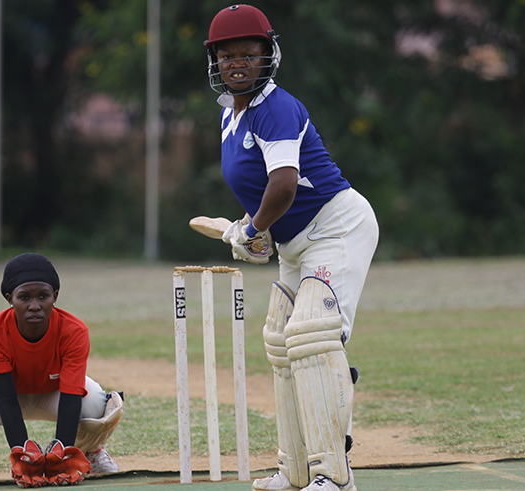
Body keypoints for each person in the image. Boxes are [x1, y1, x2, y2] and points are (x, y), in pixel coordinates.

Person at [203, 5, 379, 491]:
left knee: (313, 338)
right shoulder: (229, 116)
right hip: (296, 242)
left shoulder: (276, 108)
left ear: (268, 56)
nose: (237, 62)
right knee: (283, 344)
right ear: (215, 61)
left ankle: (334, 475)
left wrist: (256, 228)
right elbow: (258, 191)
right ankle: (295, 470)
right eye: (227, 54)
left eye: (248, 53)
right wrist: (252, 228)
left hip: (336, 227)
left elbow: (282, 186)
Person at [0, 252, 123, 487]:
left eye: (43, 296)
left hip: (53, 392)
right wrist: (22, 451)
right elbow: (5, 400)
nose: (35, 306)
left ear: (55, 296)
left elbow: (71, 394)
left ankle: (91, 452)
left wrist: (63, 450)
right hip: (6, 392)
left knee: (97, 404)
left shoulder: (74, 331)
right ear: (10, 299)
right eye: (24, 297)